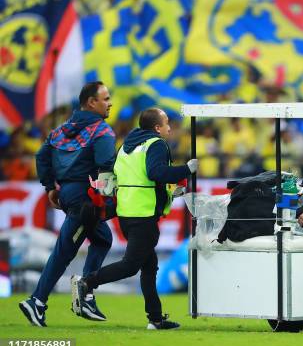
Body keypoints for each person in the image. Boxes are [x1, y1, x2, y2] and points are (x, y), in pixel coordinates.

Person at [71, 108, 198, 330]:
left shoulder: (127, 146)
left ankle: (156, 319)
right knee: (131, 266)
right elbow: (155, 173)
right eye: (167, 123)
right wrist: (186, 169)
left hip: (127, 213)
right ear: (157, 128)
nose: (169, 127)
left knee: (149, 266)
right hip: (143, 215)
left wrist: (169, 193)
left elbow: (136, 179)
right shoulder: (156, 144)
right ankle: (86, 283)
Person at [19, 81, 115, 327]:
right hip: (86, 198)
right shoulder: (102, 131)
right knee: (64, 251)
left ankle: (85, 295)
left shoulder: (59, 131)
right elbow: (106, 167)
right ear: (91, 102)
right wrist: (108, 202)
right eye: (105, 99)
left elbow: (41, 156)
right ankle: (38, 301)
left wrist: (50, 186)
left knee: (102, 239)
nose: (110, 103)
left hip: (68, 194)